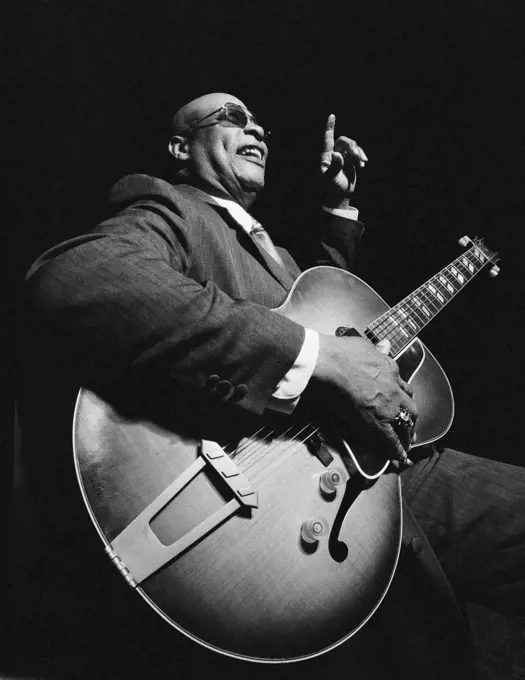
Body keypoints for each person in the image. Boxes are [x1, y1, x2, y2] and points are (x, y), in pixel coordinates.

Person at [14, 92, 524, 680]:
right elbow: (75, 279)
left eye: (257, 121)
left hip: (379, 465)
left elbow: (323, 311)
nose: (253, 126)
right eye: (229, 117)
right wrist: (315, 356)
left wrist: (340, 212)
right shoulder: (169, 207)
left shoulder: (276, 251)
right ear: (181, 147)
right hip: (284, 494)